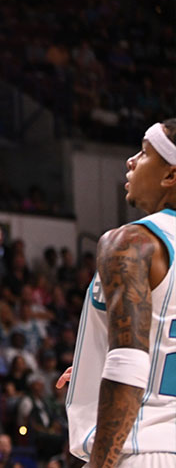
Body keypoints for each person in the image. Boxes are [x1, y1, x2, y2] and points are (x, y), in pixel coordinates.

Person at [61, 120, 176, 468]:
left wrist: (99, 465)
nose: (131, 161)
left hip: (143, 449)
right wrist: (92, 367)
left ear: (170, 174)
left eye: (144, 152)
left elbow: (129, 363)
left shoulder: (132, 242)